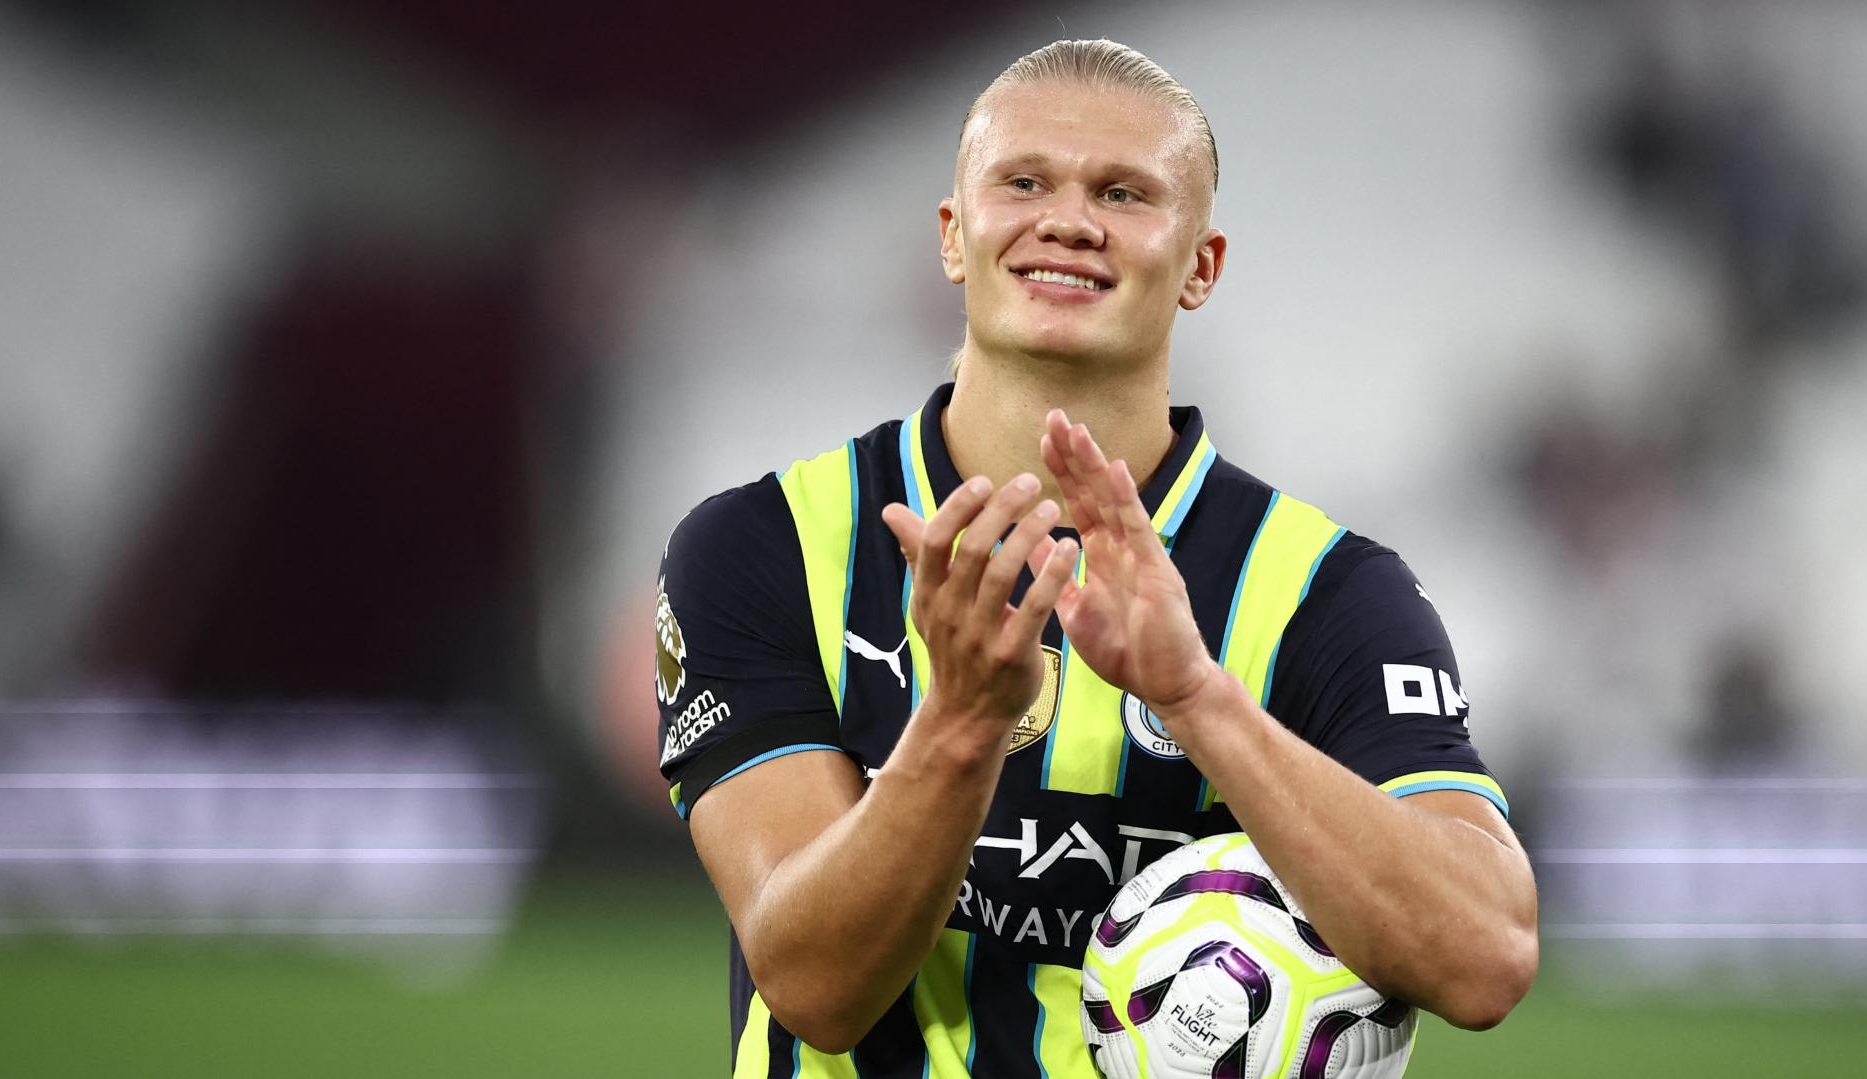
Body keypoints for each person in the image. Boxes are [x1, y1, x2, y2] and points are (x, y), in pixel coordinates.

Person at [654, 39, 1537, 1077]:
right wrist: (963, 720)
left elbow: (1484, 957)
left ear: (1200, 264)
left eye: (1123, 193)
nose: (1068, 218)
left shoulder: (1327, 593)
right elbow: (812, 983)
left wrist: (1197, 696)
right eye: (1023, 181)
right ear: (953, 235)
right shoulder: (765, 546)